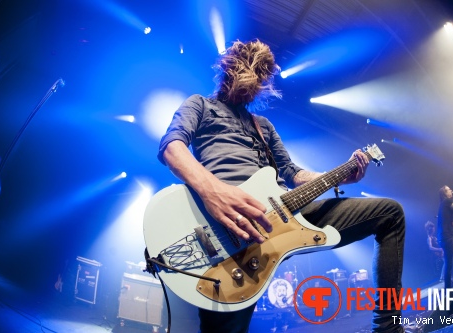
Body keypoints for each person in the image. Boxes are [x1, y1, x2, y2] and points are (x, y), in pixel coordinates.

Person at [157, 40, 405, 333]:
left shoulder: (263, 125)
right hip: (227, 221)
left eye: (263, 75)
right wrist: (213, 192)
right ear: (230, 68)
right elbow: (171, 148)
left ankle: (388, 328)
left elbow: (292, 173)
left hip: (284, 211)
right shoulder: (200, 105)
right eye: (254, 70)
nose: (259, 82)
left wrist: (341, 174)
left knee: (390, 214)